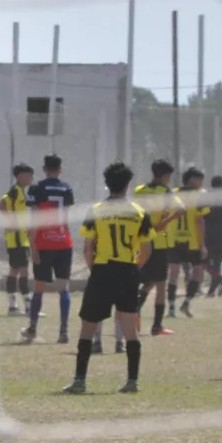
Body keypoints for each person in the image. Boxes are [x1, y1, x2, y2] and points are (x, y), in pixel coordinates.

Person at [63, 162, 153, 395]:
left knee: (88, 327)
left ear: (107, 184)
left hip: (103, 271)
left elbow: (87, 248)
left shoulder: (96, 210)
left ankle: (80, 381)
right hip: (128, 271)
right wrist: (133, 268)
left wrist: (97, 269)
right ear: (127, 184)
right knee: (130, 327)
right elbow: (146, 250)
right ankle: (132, 381)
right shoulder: (139, 212)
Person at [20, 154, 76, 344]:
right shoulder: (67, 188)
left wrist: (33, 246)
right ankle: (63, 331)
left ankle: (33, 329)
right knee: (64, 288)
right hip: (63, 243)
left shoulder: (37, 188)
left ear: (44, 169)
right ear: (60, 169)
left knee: (39, 287)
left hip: (44, 243)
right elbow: (66, 219)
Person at [134, 159, 183, 337]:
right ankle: (157, 326)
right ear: (164, 176)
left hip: (141, 241)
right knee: (161, 284)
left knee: (146, 280)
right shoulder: (166, 192)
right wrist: (164, 222)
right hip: (160, 242)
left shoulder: (139, 191)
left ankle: (135, 310)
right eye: (169, 176)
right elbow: (181, 209)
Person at [171, 166, 210, 318]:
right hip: (192, 240)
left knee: (173, 273)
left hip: (174, 238)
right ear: (191, 180)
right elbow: (199, 221)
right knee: (197, 271)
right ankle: (186, 303)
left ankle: (172, 308)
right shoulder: (200, 195)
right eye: (200, 179)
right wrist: (202, 245)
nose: (201, 182)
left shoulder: (173, 193)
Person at [0, 164, 34, 315]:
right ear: (20, 176)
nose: (30, 179)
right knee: (23, 271)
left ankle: (13, 306)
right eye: (28, 176)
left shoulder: (21, 192)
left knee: (14, 270)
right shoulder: (14, 192)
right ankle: (27, 307)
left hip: (20, 238)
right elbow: (1, 205)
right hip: (17, 238)